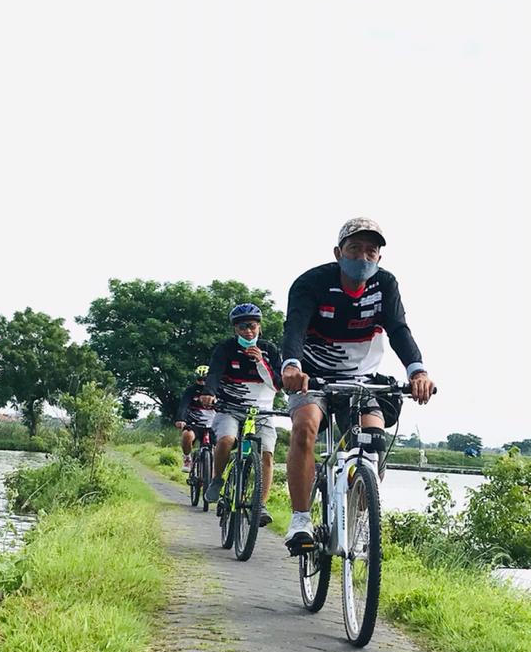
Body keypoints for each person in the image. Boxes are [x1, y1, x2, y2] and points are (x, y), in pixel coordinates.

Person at [281, 217, 435, 554]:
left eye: (371, 251)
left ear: (379, 257)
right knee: (305, 427)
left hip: (362, 380)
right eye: (354, 249)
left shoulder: (385, 284)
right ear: (338, 253)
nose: (363, 257)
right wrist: (291, 366)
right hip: (314, 377)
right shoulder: (311, 283)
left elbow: (398, 329)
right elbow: (294, 328)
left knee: (374, 444)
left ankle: (360, 517)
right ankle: (301, 519)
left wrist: (418, 372)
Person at [199, 303, 283, 528]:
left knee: (267, 455)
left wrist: (261, 361)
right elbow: (214, 374)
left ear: (259, 327)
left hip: (262, 412)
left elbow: (277, 384)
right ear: (235, 329)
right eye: (242, 327)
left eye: (252, 326)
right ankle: (217, 478)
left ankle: (260, 504)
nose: (248, 331)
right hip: (230, 409)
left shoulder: (270, 350)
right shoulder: (225, 349)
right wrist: (209, 393)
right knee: (226, 440)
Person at [174, 365, 216, 472]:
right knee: (187, 435)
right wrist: (180, 419)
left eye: (205, 380)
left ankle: (214, 473)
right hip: (194, 423)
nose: (202, 382)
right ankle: (187, 458)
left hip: (214, 424)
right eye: (199, 379)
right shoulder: (190, 390)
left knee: (221, 446)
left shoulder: (218, 390)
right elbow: (183, 405)